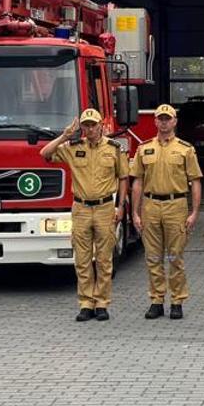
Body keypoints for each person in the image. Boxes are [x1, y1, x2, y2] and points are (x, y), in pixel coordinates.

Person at [40, 109, 128, 322]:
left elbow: (123, 177)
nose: (89, 129)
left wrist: (120, 206)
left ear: (101, 126)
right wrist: (65, 136)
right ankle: (86, 303)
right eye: (86, 125)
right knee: (82, 258)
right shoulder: (73, 147)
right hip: (80, 208)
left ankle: (102, 303)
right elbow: (45, 154)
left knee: (104, 259)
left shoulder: (114, 149)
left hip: (105, 207)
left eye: (93, 125)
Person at [130, 104, 203, 320]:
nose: (164, 122)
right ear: (155, 121)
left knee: (175, 257)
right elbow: (137, 182)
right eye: (160, 119)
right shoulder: (144, 148)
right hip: (151, 206)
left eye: (167, 118)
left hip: (176, 206)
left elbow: (195, 181)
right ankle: (156, 300)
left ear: (174, 121)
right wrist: (135, 212)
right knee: (153, 256)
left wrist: (194, 212)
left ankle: (177, 301)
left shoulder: (185, 149)